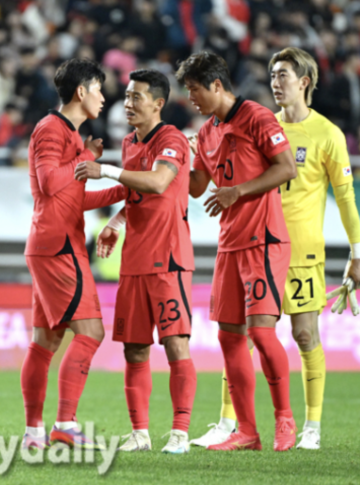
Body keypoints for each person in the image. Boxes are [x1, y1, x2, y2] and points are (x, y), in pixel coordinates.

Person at [191, 47, 360, 451]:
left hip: (297, 250)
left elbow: (346, 199)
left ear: (304, 81)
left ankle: (311, 426)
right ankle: (228, 421)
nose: (275, 81)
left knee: (303, 335)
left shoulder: (327, 135)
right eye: (271, 74)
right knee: (240, 334)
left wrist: (357, 253)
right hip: (249, 241)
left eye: (283, 74)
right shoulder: (257, 124)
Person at [176, 51, 298, 451]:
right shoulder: (208, 131)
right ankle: (247, 431)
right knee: (230, 339)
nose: (190, 98)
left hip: (263, 239)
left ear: (215, 84)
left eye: (194, 90)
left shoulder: (257, 117)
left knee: (261, 333)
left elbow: (285, 168)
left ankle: (285, 420)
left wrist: (237, 192)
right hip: (229, 244)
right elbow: (196, 186)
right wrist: (182, 153)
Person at [75, 69, 196, 454]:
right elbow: (136, 193)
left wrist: (105, 170)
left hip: (169, 259)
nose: (127, 104)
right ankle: (140, 434)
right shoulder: (129, 142)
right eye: (126, 96)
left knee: (176, 345)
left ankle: (179, 433)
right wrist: (116, 221)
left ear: (158, 104)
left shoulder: (172, 139)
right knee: (135, 349)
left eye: (136, 97)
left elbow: (160, 183)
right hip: (135, 260)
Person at [21, 58, 125, 450]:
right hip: (60, 246)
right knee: (92, 332)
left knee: (45, 342)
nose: (102, 96)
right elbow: (50, 183)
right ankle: (65, 423)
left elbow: (71, 197)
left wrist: (122, 187)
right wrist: (87, 159)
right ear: (81, 92)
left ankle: (34, 433)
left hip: (49, 241)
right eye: (98, 89)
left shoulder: (68, 134)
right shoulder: (52, 129)